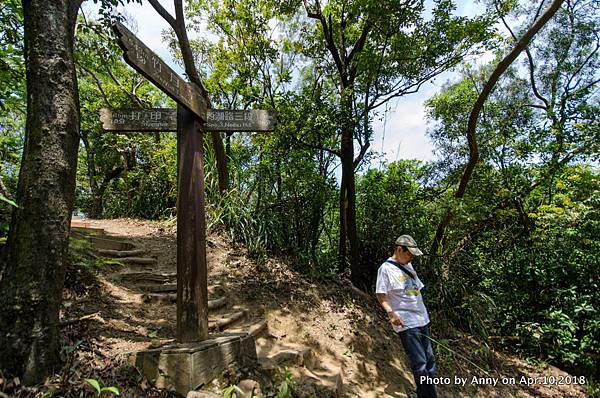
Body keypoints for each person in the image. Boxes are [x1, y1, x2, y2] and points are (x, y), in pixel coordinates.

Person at [376, 234, 437, 398]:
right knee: (421, 364)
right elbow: (381, 295)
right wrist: (391, 313)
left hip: (422, 320)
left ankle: (424, 394)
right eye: (409, 254)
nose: (411, 258)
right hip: (407, 323)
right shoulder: (385, 269)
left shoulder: (408, 266)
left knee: (430, 362)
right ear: (399, 249)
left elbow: (416, 292)